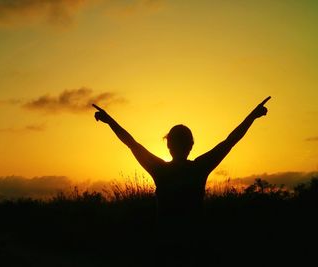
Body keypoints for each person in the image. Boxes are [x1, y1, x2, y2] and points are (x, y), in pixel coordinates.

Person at [93, 97, 271, 265]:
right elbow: (230, 141)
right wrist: (252, 116)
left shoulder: (160, 170)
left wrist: (109, 121)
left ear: (168, 145)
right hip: (195, 247)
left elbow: (132, 143)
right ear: (191, 145)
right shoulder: (199, 168)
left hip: (166, 247)